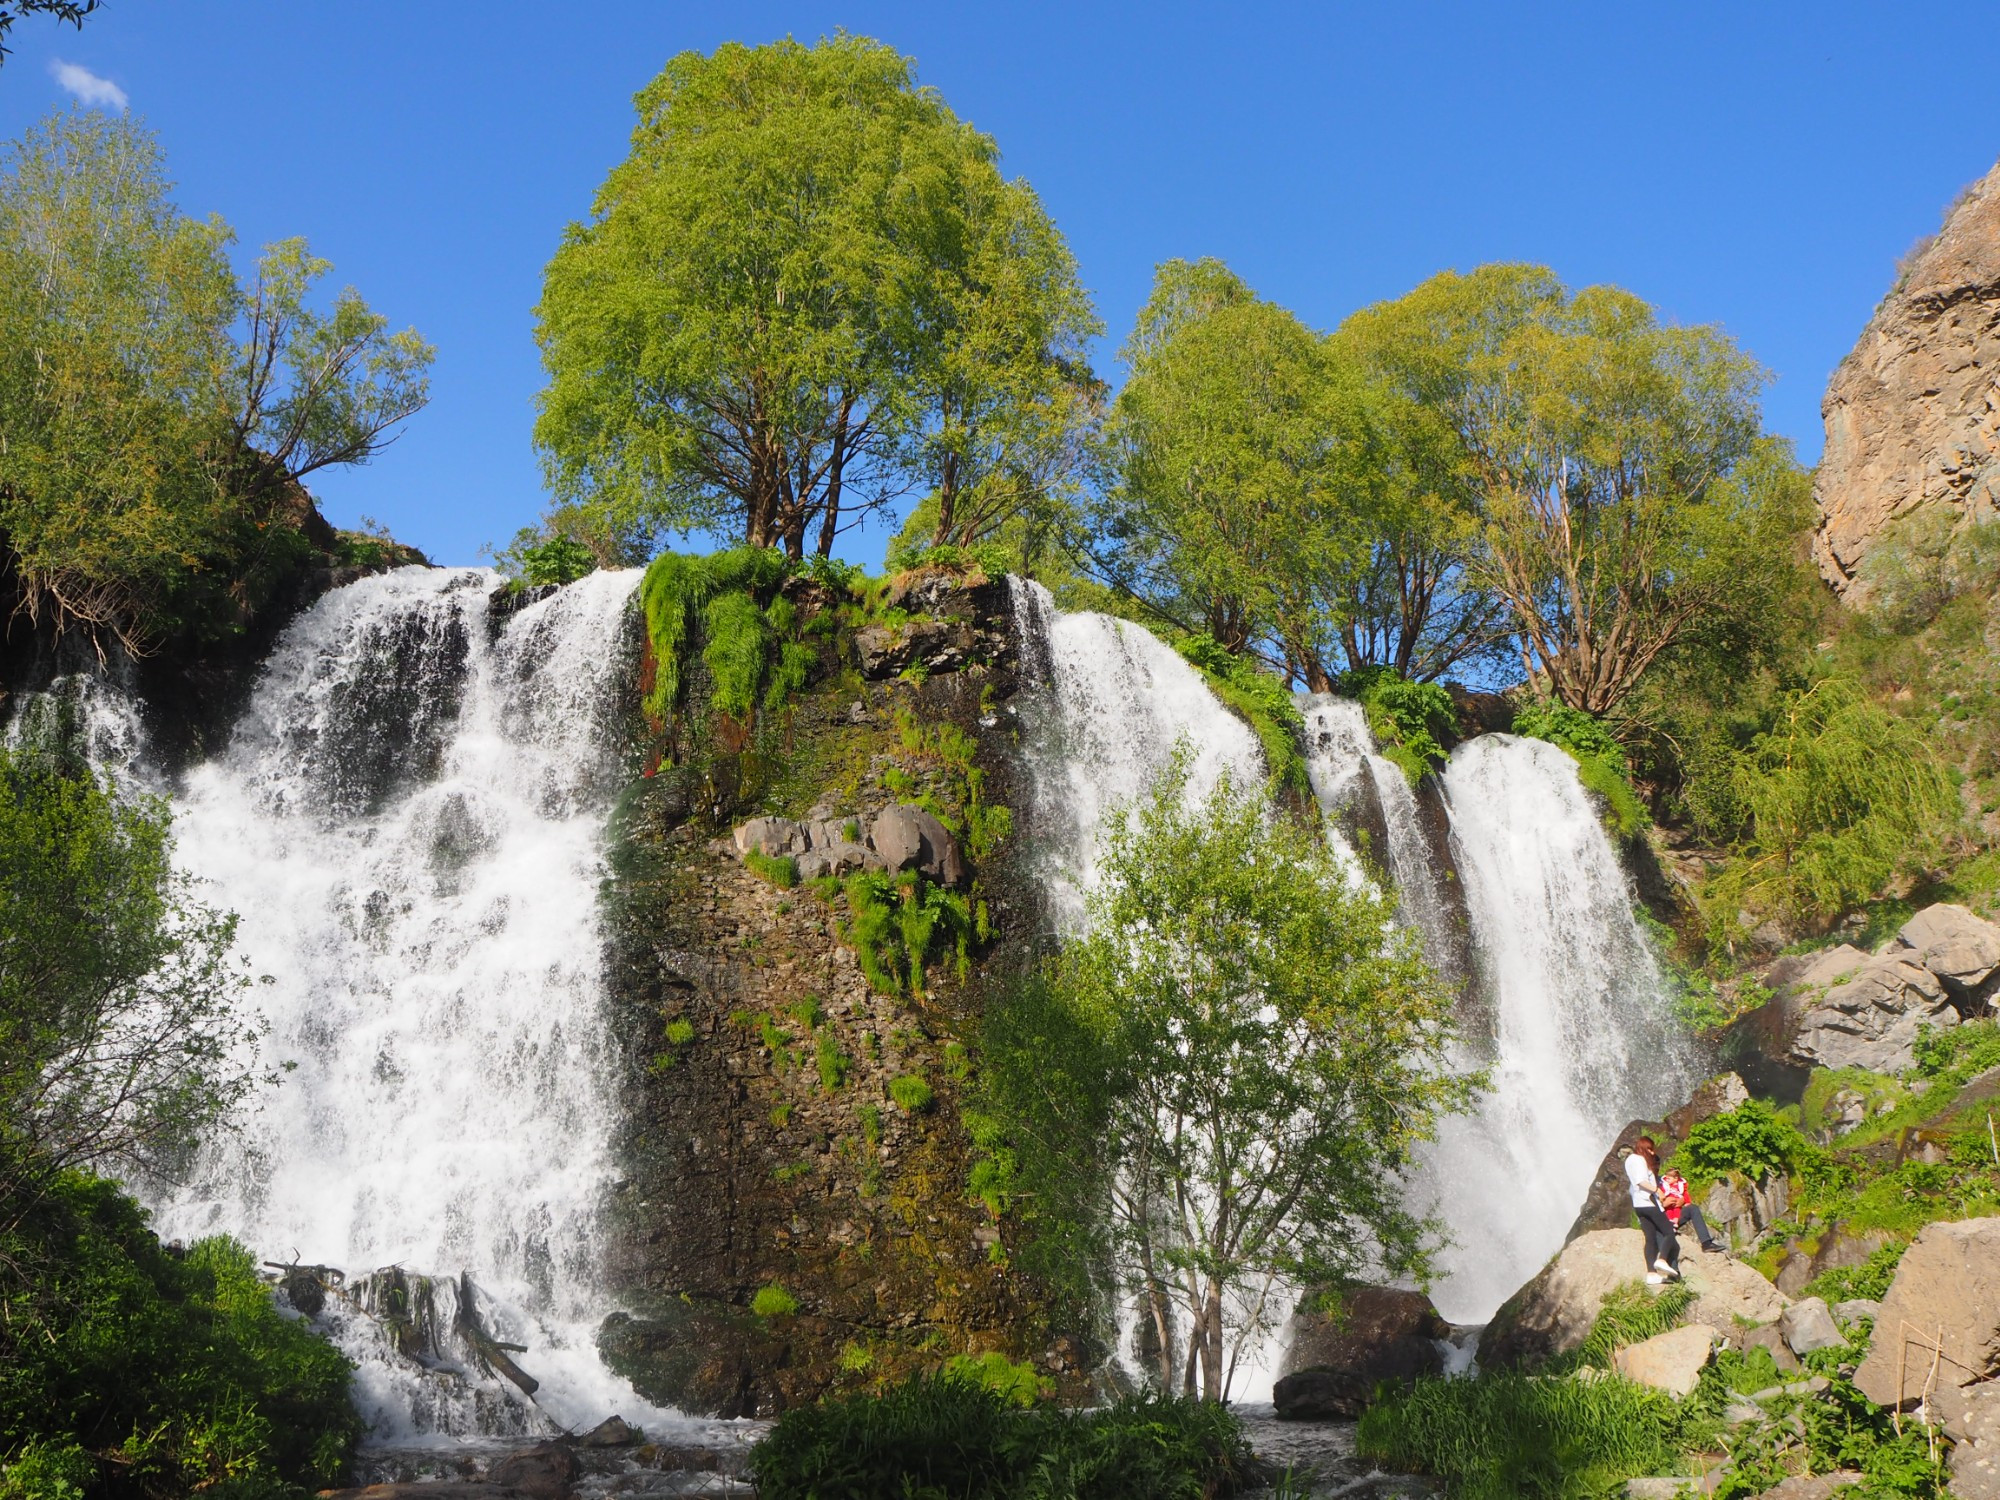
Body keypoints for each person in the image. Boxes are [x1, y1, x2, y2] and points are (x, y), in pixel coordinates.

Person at [1623, 1135, 1681, 1284]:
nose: (1652, 1153)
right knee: (1669, 1232)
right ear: (1642, 1148)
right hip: (1648, 1203)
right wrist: (1657, 1190)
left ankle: (1651, 1274)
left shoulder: (1629, 1160)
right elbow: (1641, 1181)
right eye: (1649, 1149)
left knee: (1650, 1238)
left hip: (1638, 1205)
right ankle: (1661, 1260)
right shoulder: (1640, 1160)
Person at [1660, 1167, 1725, 1253]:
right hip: (1660, 1215)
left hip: (1675, 1210)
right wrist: (1663, 1204)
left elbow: (1683, 1194)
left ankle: (1706, 1243)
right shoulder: (1654, 1183)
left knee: (1693, 1208)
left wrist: (1682, 1200)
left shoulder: (1672, 1181)